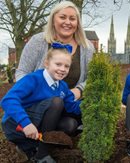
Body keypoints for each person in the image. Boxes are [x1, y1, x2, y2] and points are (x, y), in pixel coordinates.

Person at [15, 1, 94, 134]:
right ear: (53, 20)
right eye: (62, 17)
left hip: (69, 101)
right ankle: (32, 142)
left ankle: (55, 135)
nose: (67, 22)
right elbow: (22, 72)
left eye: (72, 19)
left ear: (78, 23)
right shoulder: (38, 41)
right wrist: (36, 90)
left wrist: (80, 90)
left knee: (71, 125)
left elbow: (91, 78)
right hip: (41, 102)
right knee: (57, 105)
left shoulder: (87, 47)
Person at [1, 43, 80, 162]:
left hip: (37, 125)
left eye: (66, 66)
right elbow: (8, 100)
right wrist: (25, 123)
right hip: (16, 124)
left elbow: (71, 106)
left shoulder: (62, 86)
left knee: (70, 124)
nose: (62, 69)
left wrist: (90, 106)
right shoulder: (33, 79)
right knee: (57, 102)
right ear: (47, 63)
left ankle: (31, 147)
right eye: (58, 64)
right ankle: (42, 155)